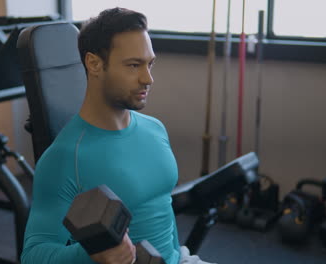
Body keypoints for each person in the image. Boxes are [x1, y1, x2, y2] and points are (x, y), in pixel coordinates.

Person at [21, 7, 214, 264]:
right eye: (134, 65)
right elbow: (33, 256)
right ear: (94, 64)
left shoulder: (155, 129)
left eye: (150, 64)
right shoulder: (65, 159)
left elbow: (162, 212)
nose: (148, 78)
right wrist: (90, 256)